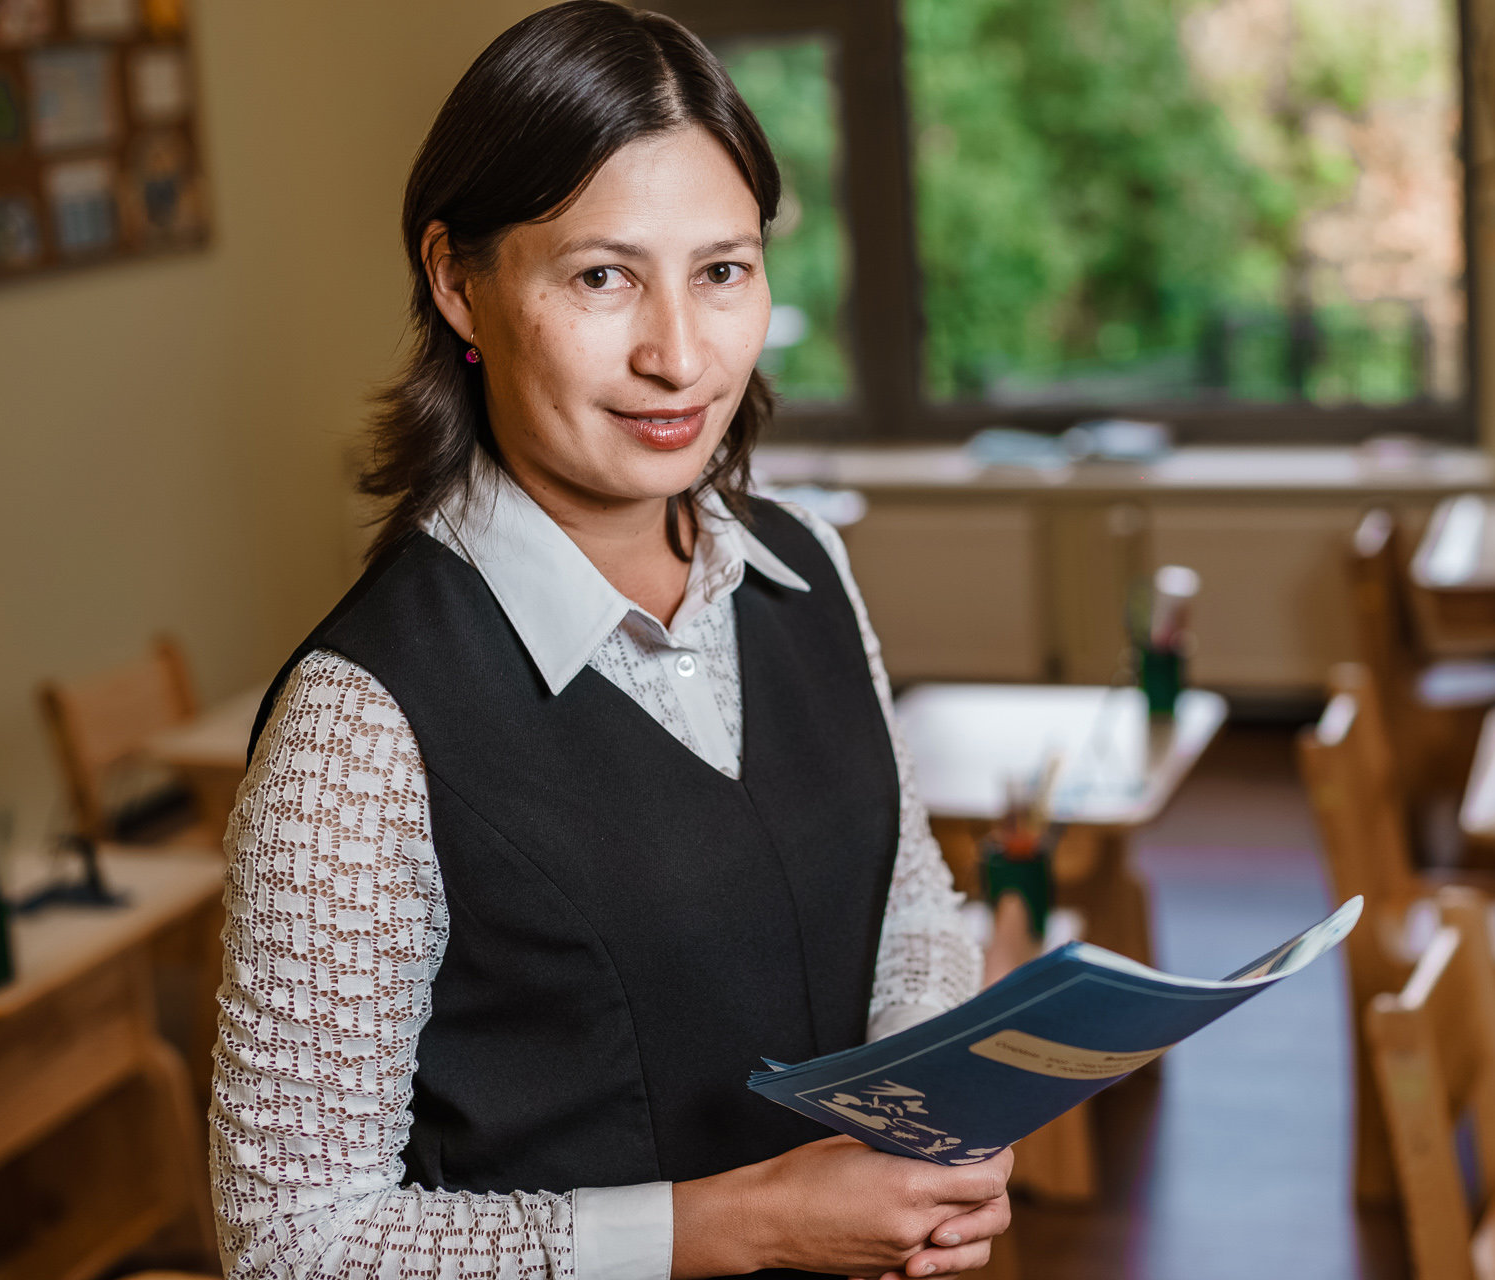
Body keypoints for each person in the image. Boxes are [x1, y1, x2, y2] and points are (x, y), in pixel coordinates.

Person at [207, 6, 1013, 1279]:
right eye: (601, 276)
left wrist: (935, 1121)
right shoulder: (358, 724)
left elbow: (905, 900)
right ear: (455, 279)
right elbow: (295, 1242)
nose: (680, 356)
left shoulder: (808, 564)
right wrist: (751, 1221)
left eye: (723, 270)